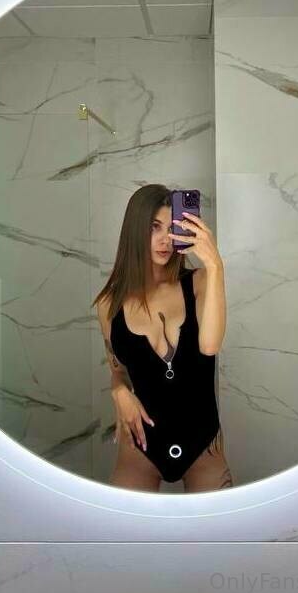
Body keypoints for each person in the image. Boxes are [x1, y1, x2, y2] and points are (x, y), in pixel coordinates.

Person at [92, 184, 233, 492]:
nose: (165, 239)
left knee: (219, 524)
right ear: (134, 231)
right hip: (141, 444)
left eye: (172, 228)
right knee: (123, 525)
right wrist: (118, 392)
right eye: (153, 227)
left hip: (203, 443)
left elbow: (210, 345)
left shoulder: (200, 283)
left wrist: (215, 264)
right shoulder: (109, 304)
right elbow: (118, 371)